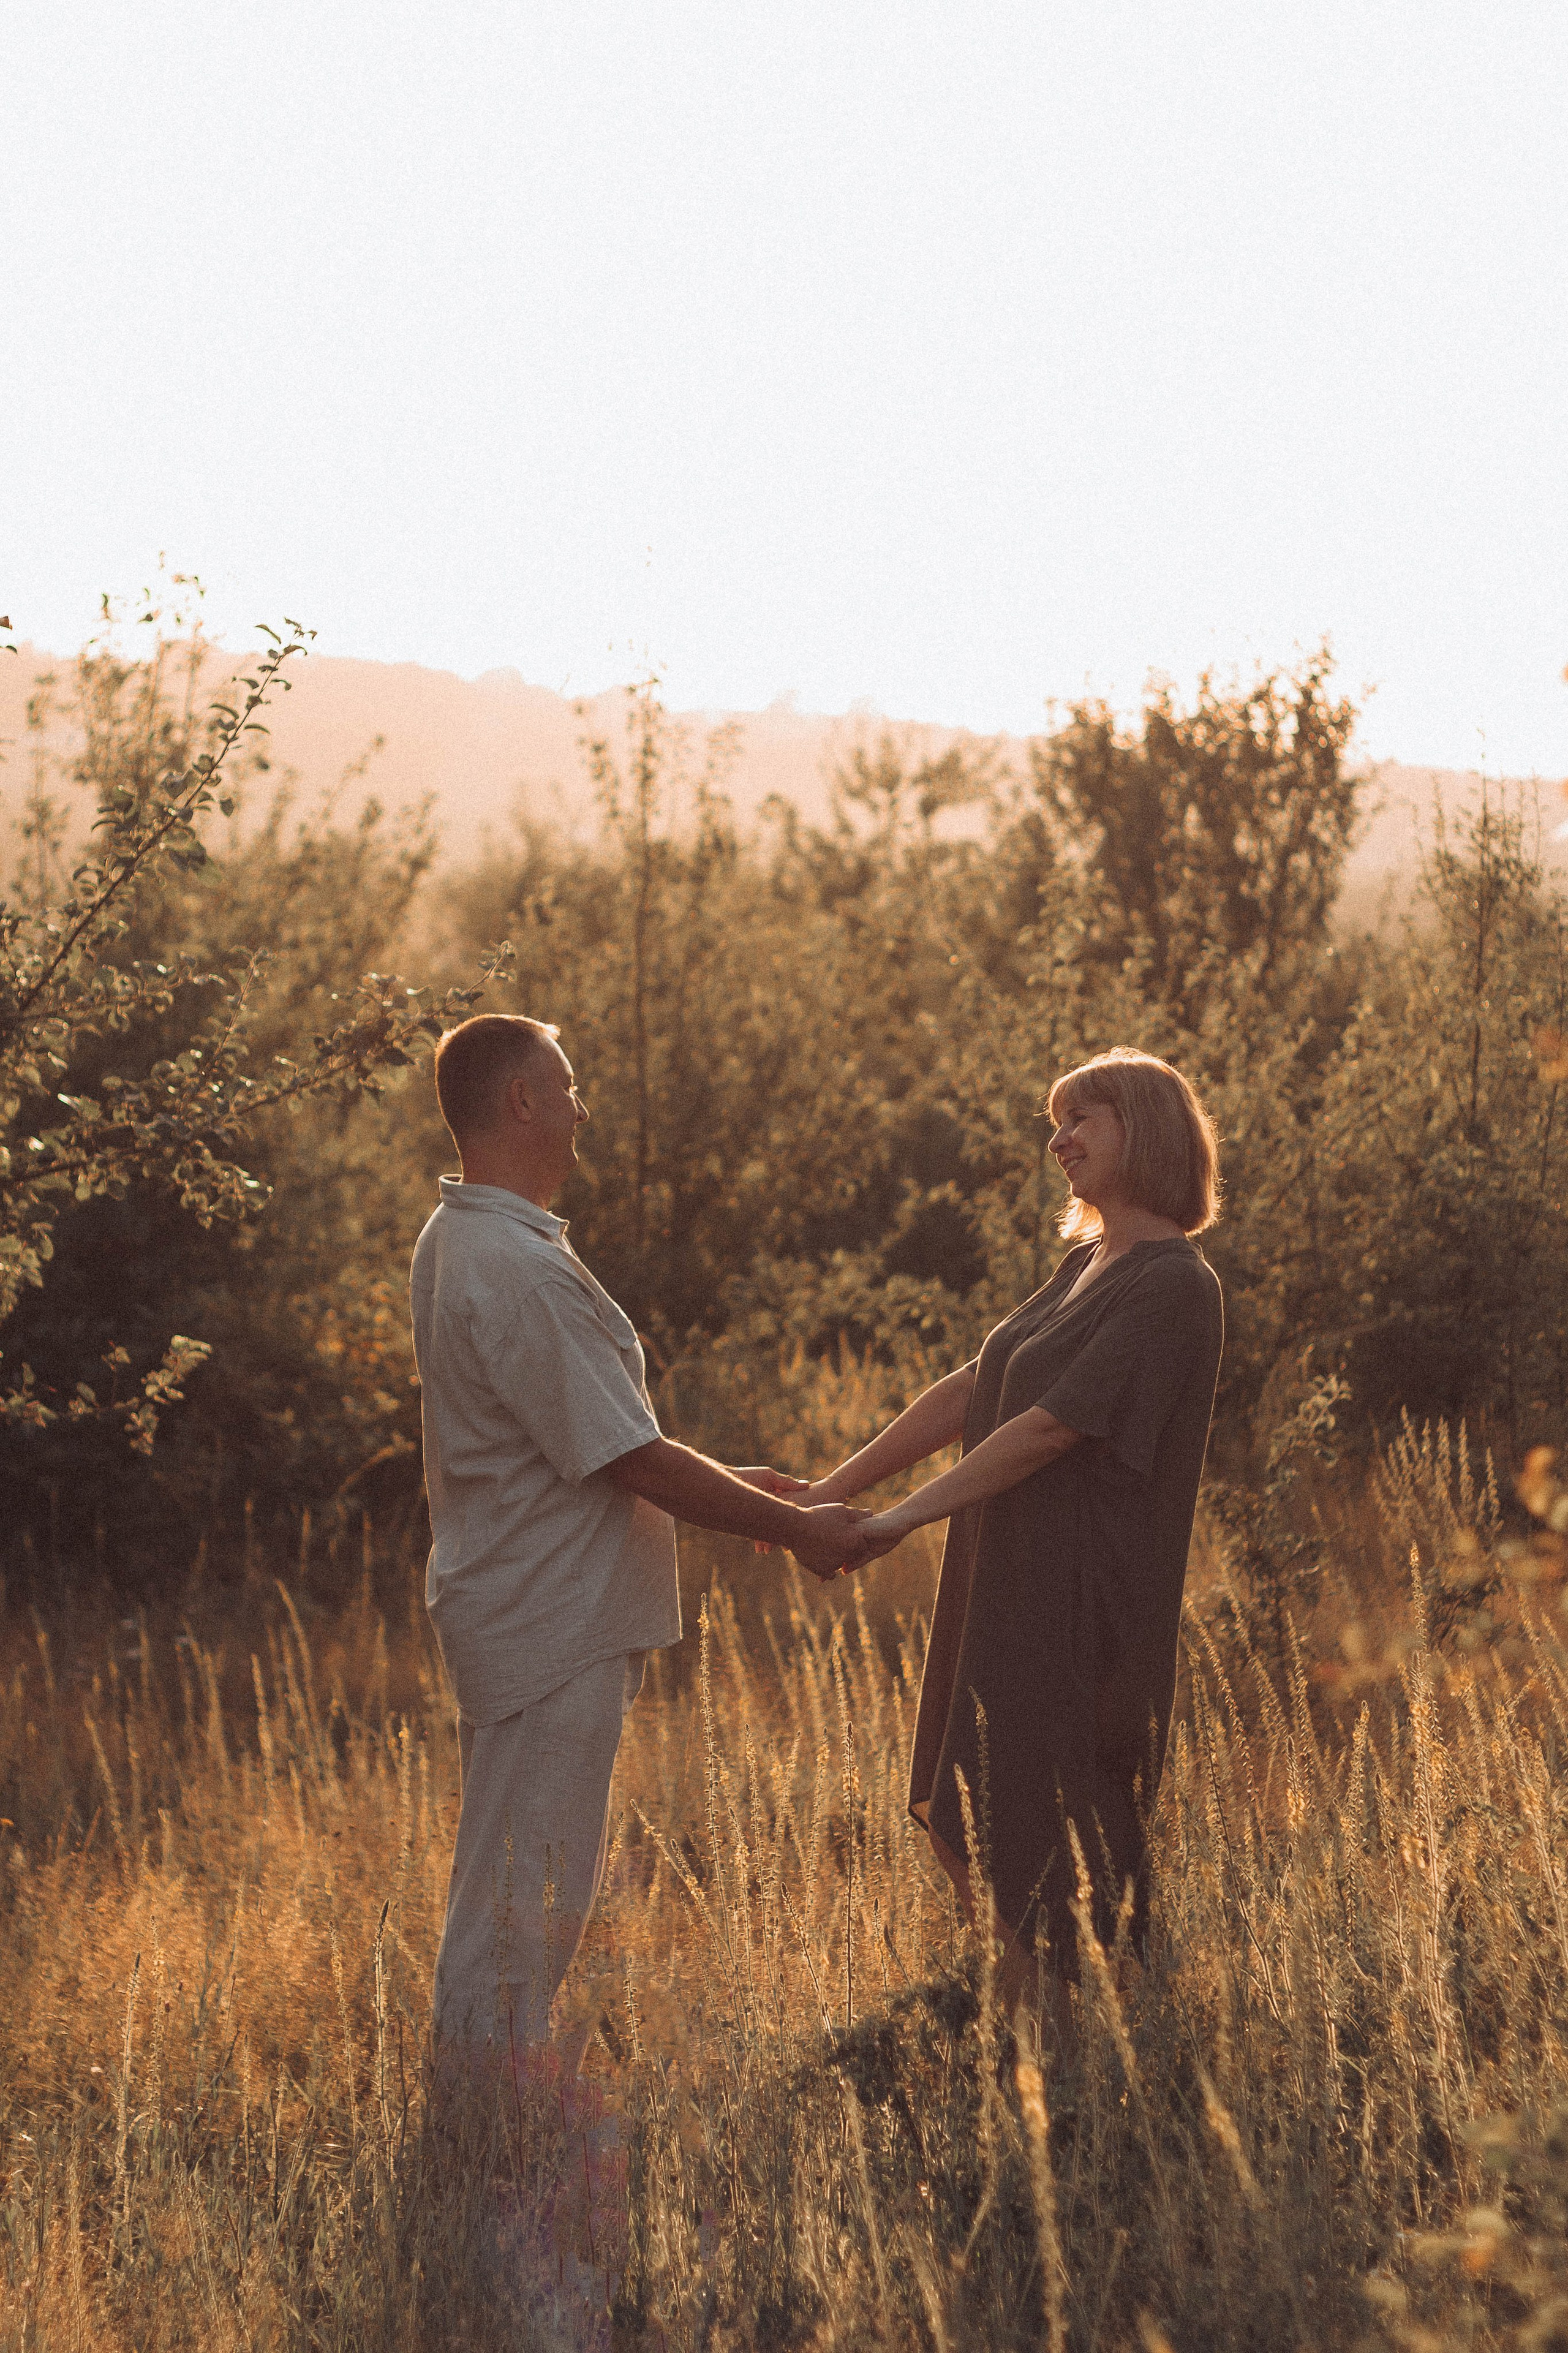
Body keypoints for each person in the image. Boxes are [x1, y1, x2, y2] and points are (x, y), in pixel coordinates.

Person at [410, 1013, 871, 2064]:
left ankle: (484, 2123)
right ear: (520, 1102)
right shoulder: (513, 1264)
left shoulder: (469, 1237)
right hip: (548, 1622)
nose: (581, 1108)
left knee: (514, 1893)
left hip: (526, 1604)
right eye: (567, 1086)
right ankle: (485, 2135)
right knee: (525, 1909)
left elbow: (594, 1437)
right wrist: (796, 1525)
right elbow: (631, 1459)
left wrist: (731, 1484)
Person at [802, 1048, 1224, 2015]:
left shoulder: (1173, 1285)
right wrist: (836, 1485)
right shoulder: (1087, 1262)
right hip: (1003, 1578)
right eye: (1055, 1120)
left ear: (1146, 1128)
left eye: (1083, 1117)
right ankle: (1030, 2039)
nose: (1059, 1138)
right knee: (964, 1810)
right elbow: (978, 1386)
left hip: (1082, 1603)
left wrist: (901, 1518)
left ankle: (1069, 2064)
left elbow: (1050, 1425)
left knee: (1045, 1830)